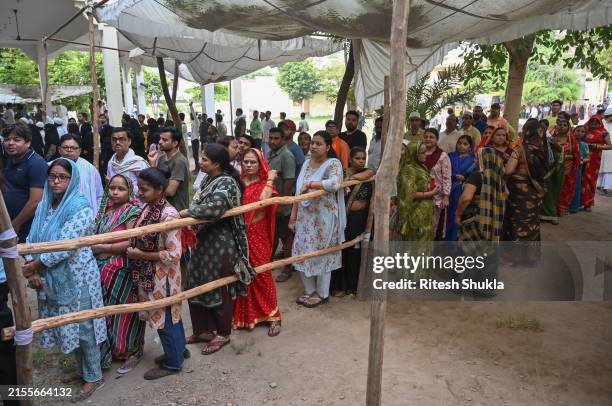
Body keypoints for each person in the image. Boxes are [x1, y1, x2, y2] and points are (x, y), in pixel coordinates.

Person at [24, 158, 106, 400]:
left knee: (83, 325)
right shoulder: (45, 204)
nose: (56, 181)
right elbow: (32, 238)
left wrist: (34, 266)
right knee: (68, 323)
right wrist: (35, 268)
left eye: (62, 177)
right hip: (50, 274)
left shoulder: (80, 206)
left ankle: (94, 377)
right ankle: (82, 370)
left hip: (78, 275)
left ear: (73, 180)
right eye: (52, 176)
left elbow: (65, 247)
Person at [181, 144, 256, 355]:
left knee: (219, 287)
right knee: (195, 283)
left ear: (217, 163)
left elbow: (214, 207)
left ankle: (222, 333)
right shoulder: (208, 179)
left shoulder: (227, 183)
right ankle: (202, 330)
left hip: (220, 243)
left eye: (204, 159)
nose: (200, 161)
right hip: (202, 241)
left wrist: (188, 212)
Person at [127, 168, 185, 379]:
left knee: (166, 318)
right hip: (153, 275)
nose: (140, 193)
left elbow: (174, 253)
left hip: (164, 278)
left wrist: (141, 254)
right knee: (170, 316)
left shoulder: (167, 215)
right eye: (139, 188)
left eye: (145, 189)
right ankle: (178, 351)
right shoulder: (149, 208)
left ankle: (173, 363)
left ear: (160, 190)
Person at [92, 175, 144, 373]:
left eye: (120, 189)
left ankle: (132, 351)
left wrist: (103, 247)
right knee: (106, 312)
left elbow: (132, 241)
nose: (114, 192)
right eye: (111, 188)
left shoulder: (132, 212)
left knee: (125, 311)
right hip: (101, 268)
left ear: (129, 191)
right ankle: (112, 350)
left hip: (121, 269)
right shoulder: (103, 211)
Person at [292, 131, 344, 308]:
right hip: (304, 218)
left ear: (328, 147)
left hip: (324, 218)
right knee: (301, 252)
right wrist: (293, 217)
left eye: (318, 143)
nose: (313, 146)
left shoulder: (333, 163)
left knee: (322, 254)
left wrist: (313, 184)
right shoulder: (306, 163)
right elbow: (298, 192)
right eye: (312, 143)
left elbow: (335, 183)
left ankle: (322, 294)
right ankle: (309, 291)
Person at [232, 148, 282, 336]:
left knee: (262, 274)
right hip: (239, 234)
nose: (249, 165)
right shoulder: (237, 183)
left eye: (253, 162)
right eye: (246, 162)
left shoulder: (264, 184)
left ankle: (273, 315)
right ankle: (246, 317)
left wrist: (270, 179)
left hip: (257, 234)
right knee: (242, 275)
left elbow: (263, 201)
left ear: (261, 164)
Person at [455, 148, 506, 296]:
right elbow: (505, 195)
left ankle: (463, 284)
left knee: (467, 250)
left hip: (473, 219)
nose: (476, 161)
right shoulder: (498, 178)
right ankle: (486, 287)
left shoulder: (477, 176)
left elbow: (466, 198)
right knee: (488, 251)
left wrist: (458, 214)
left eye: (478, 158)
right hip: (492, 221)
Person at [503, 119, 548, 265]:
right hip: (535, 192)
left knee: (517, 222)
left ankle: (515, 257)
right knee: (532, 223)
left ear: (527, 132)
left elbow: (508, 170)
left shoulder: (520, 149)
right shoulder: (543, 149)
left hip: (519, 193)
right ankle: (531, 258)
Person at [331, 147, 372, 296]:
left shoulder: (368, 173)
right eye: (357, 158)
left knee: (355, 252)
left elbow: (370, 172)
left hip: (360, 219)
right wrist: (347, 179)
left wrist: (351, 180)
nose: (361, 161)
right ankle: (340, 285)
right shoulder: (341, 173)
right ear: (350, 159)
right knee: (343, 250)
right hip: (344, 218)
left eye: (363, 158)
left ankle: (353, 285)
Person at [2, 123, 47, 242]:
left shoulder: (36, 164)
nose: (10, 143)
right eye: (7, 139)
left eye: (17, 140)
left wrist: (15, 225)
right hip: (6, 223)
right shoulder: (8, 159)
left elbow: (35, 202)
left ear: (28, 143)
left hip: (25, 227)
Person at [266, 127, 297, 283]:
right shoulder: (270, 153)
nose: (272, 141)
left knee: (286, 238)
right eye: (271, 138)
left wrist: (282, 204)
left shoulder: (286, 155)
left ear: (283, 139)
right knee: (273, 234)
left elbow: (289, 180)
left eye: (276, 138)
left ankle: (287, 268)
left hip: (281, 204)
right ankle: (268, 264)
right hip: (270, 202)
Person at [397, 141, 436, 241]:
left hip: (424, 214)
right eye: (422, 152)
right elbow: (409, 194)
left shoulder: (420, 167)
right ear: (414, 153)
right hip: (414, 215)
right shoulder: (409, 170)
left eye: (425, 151)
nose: (426, 154)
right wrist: (432, 193)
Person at [58, 134, 104, 211]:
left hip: (85, 214)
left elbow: (99, 195)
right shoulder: (50, 167)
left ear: (79, 151)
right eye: (65, 147)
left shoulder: (90, 169)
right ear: (59, 149)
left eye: (73, 148)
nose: (69, 150)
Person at [148, 127, 190, 212]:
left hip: (176, 210)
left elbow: (170, 192)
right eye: (160, 139)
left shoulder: (179, 161)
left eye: (164, 140)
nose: (160, 142)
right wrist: (152, 164)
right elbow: (157, 180)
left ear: (174, 143)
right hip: (162, 208)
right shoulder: (162, 158)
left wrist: (151, 192)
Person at [422, 128, 451, 240]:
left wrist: (445, 196)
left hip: (436, 197)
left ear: (437, 140)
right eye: (426, 137)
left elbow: (447, 177)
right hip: (420, 196)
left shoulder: (442, 156)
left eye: (431, 137)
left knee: (432, 226)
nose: (428, 139)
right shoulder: (418, 154)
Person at [445, 135, 476, 241]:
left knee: (459, 215)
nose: (461, 146)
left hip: (464, 191)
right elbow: (444, 170)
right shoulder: (450, 156)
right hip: (449, 189)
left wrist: (465, 178)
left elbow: (474, 174)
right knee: (449, 217)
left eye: (465, 144)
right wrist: (453, 176)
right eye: (459, 143)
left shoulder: (473, 160)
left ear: (470, 146)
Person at [581, 115, 612, 211]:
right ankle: (577, 202)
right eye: (592, 121)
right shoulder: (585, 130)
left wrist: (595, 146)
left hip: (594, 159)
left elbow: (610, 146)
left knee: (590, 180)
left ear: (600, 122)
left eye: (596, 121)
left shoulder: (604, 133)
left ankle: (588, 203)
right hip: (582, 156)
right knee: (580, 178)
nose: (593, 123)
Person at [107, 127, 150, 195]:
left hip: (137, 202)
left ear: (129, 141)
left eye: (121, 139)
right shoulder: (111, 163)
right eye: (114, 139)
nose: (117, 142)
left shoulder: (138, 162)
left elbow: (148, 186)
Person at [540, 119, 566, 224]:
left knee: (548, 193)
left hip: (550, 170)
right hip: (536, 171)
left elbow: (560, 153)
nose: (541, 128)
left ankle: (551, 215)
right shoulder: (532, 139)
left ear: (547, 128)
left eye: (543, 127)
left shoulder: (550, 140)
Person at [553, 118, 581, 216]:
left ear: (568, 127)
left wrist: (563, 154)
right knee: (554, 186)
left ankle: (562, 208)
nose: (562, 127)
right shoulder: (553, 137)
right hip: (554, 166)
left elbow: (576, 155)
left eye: (565, 125)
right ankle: (552, 209)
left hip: (567, 167)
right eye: (560, 125)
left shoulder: (571, 140)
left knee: (564, 187)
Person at [570, 125, 590, 213]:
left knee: (576, 186)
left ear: (585, 134)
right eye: (578, 130)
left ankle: (573, 206)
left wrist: (581, 160)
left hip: (578, 168)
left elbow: (588, 158)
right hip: (568, 167)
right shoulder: (569, 143)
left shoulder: (584, 145)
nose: (580, 133)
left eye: (582, 132)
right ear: (573, 131)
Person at [596, 106, 612, 193]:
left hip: (610, 150)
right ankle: (599, 185)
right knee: (601, 167)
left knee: (609, 168)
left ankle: (605, 186)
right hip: (602, 147)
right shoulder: (601, 123)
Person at [189, 103, 201, 172]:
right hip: (193, 139)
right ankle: (197, 168)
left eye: (191, 115)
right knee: (194, 155)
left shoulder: (197, 121)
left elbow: (193, 114)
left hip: (196, 139)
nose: (190, 116)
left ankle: (197, 168)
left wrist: (191, 107)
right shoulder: (193, 122)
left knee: (195, 155)